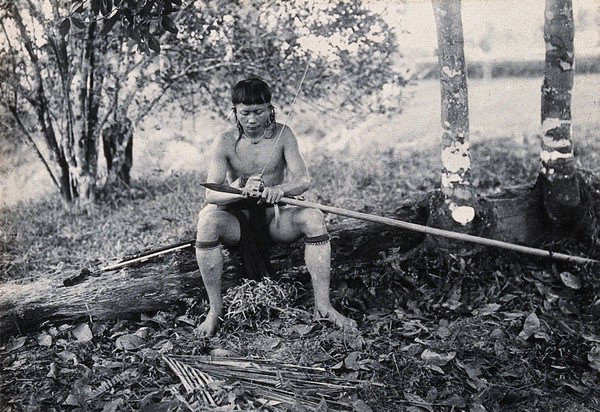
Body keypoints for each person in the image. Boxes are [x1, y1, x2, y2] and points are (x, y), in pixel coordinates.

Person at [194, 77, 357, 337]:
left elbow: (303, 180)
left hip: (275, 218)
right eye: (245, 113)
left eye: (259, 111)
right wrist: (239, 189)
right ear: (234, 111)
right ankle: (215, 311)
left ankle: (323, 307)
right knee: (207, 221)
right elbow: (211, 193)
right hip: (238, 222)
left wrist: (279, 190)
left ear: (270, 108)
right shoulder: (223, 141)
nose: (252, 119)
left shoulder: (284, 134)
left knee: (313, 217)